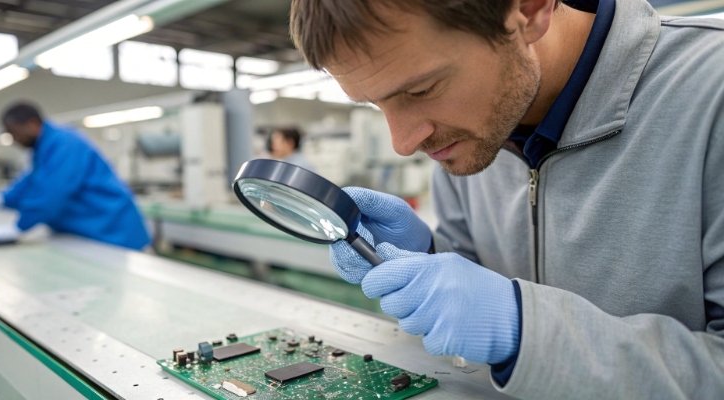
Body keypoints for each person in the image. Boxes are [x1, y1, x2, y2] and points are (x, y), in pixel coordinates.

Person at [290, 0, 724, 398]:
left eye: (421, 90)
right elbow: (481, 294)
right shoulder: (469, 138)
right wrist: (429, 256)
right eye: (374, 104)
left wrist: (524, 330)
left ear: (530, 10)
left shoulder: (712, 93)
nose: (403, 142)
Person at [0, 101, 150, 251]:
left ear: (32, 124)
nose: (13, 139)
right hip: (91, 229)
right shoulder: (44, 147)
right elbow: (33, 179)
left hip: (111, 228)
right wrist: (4, 198)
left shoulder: (64, 144)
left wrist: (18, 227)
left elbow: (52, 192)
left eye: (13, 132)